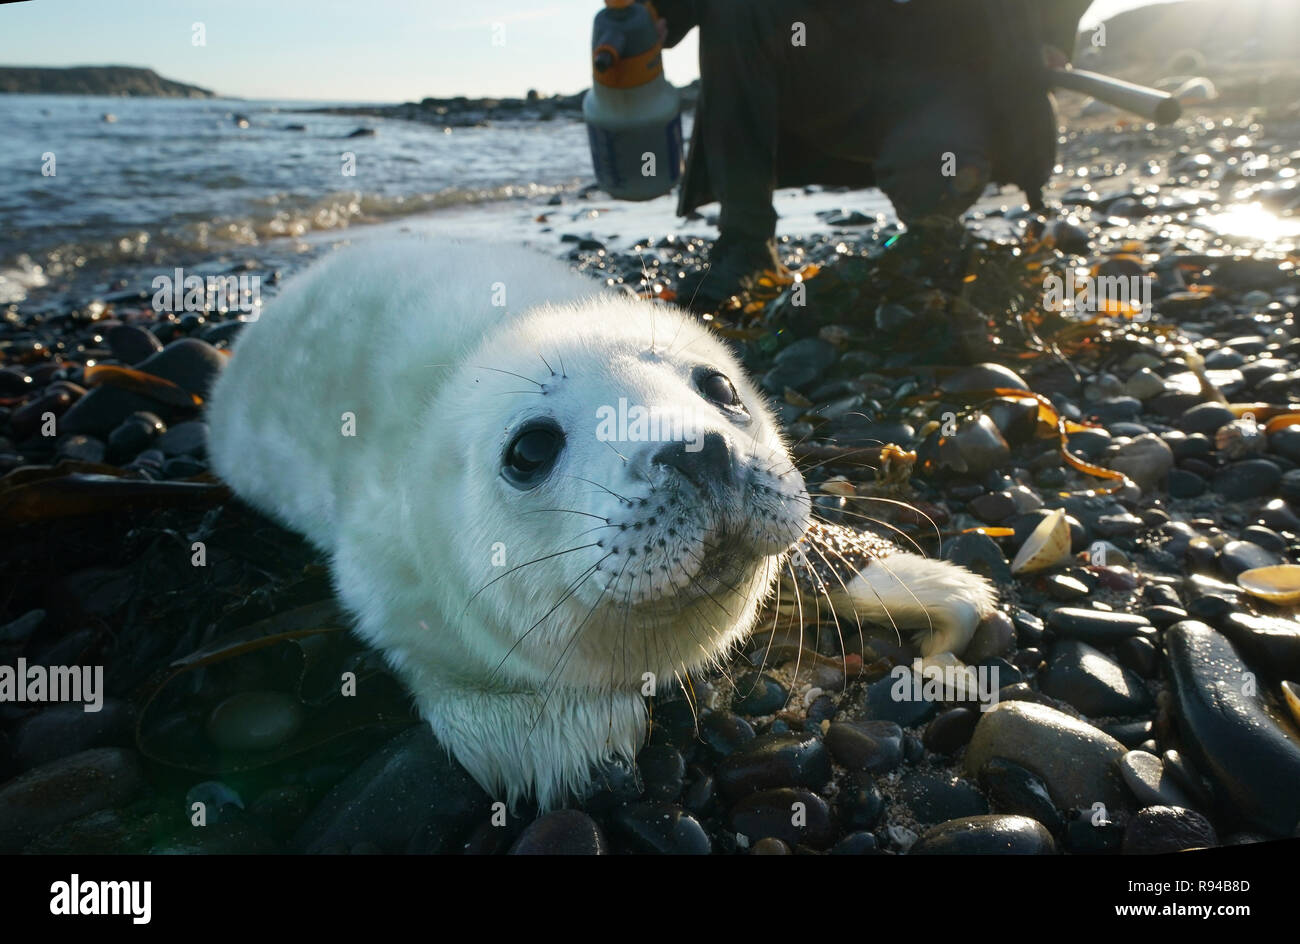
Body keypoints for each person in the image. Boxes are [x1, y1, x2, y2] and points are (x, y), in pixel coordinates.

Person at [648, 0, 1094, 309]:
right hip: (834, 65)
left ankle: (934, 237)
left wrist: (1051, 34)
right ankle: (746, 246)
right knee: (736, 6)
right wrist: (660, 12)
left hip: (956, 75)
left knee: (935, 175)